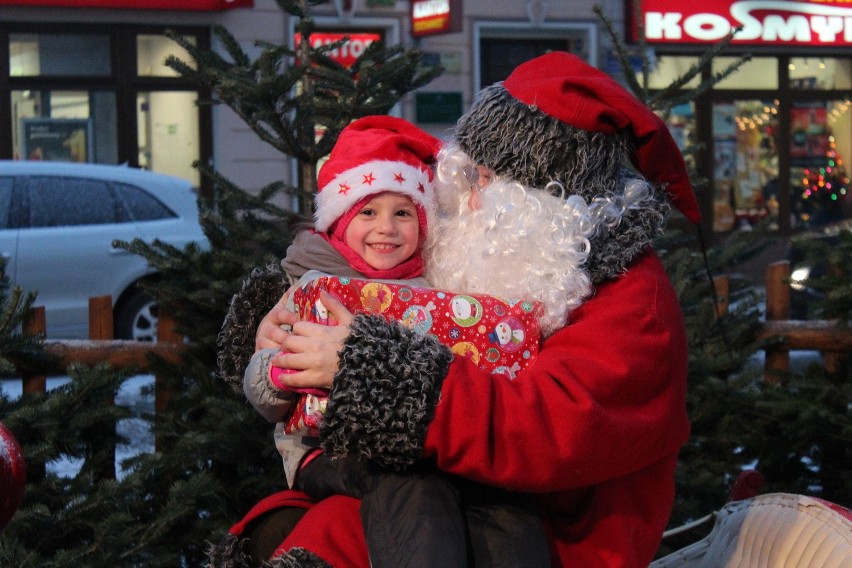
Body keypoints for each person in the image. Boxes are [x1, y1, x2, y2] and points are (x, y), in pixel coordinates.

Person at [213, 51, 701, 568]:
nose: (467, 196)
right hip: (444, 496)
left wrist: (375, 375)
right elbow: (368, 275)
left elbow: (546, 432)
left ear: (549, 196)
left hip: (552, 536)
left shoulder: (631, 301)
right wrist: (281, 320)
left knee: (341, 535)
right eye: (467, 173)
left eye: (485, 179)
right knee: (288, 529)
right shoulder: (501, 252)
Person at [230, 114, 553, 568]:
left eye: (403, 213)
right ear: (339, 221)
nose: (386, 227)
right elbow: (264, 391)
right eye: (368, 211)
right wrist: (280, 370)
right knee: (408, 483)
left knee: (498, 495)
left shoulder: (440, 288)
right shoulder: (309, 284)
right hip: (329, 448)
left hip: (425, 436)